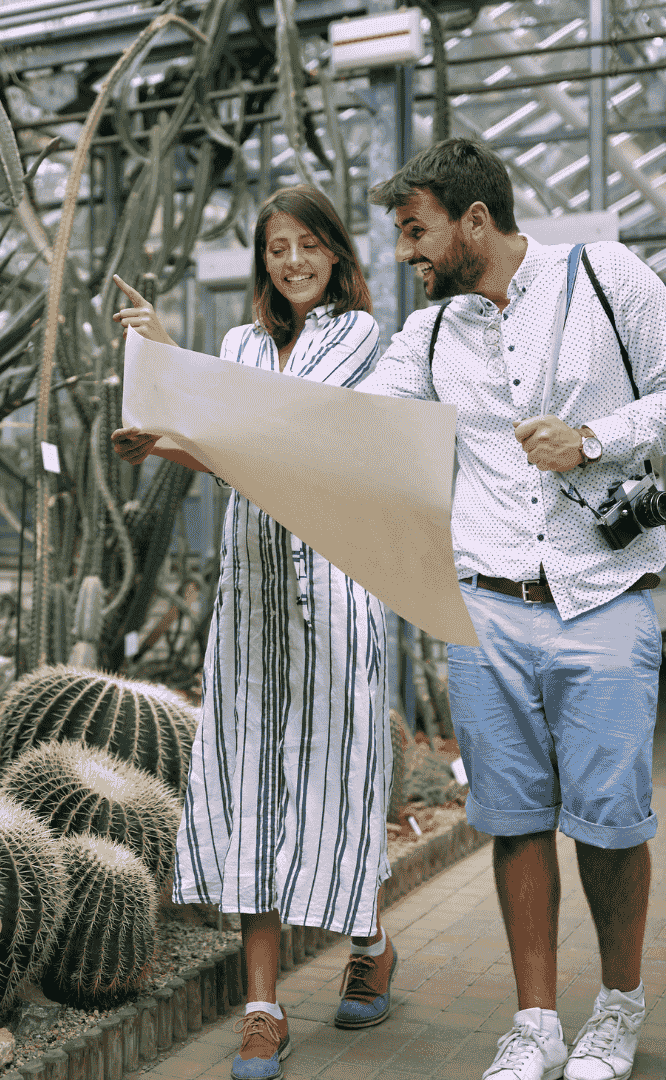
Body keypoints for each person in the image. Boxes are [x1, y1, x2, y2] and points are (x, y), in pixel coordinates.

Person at [358, 137, 664, 1080]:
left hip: (605, 594)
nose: (407, 253)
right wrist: (192, 414)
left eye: (417, 232)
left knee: (611, 820)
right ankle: (535, 1024)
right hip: (486, 605)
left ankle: (616, 1010)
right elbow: (344, 418)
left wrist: (596, 437)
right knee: (515, 817)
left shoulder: (605, 275)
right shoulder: (433, 333)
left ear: (474, 221)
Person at [111, 185, 398, 1080]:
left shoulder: (360, 337)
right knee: (250, 781)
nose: (294, 262)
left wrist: (179, 406)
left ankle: (371, 944)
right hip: (252, 601)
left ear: (338, 253)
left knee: (337, 778)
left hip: (338, 592)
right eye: (278, 247)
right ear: (262, 260)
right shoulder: (237, 346)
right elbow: (228, 432)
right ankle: (264, 1006)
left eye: (309, 244)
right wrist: (162, 399)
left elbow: (280, 435)